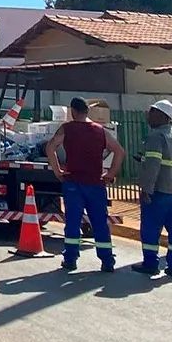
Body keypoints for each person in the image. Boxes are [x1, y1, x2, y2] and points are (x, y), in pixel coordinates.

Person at [46, 97, 126, 272]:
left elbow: (50, 147)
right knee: (100, 223)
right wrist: (110, 174)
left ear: (73, 111)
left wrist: (57, 171)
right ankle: (107, 261)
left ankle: (70, 259)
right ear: (87, 111)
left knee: (73, 223)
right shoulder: (100, 131)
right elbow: (119, 151)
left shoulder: (67, 129)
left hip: (73, 183)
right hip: (96, 184)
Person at [132, 99, 172, 279]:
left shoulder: (156, 137)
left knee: (150, 228)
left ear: (163, 116)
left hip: (158, 191)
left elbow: (153, 165)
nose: (148, 115)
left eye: (153, 112)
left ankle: (150, 264)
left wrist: (147, 189)